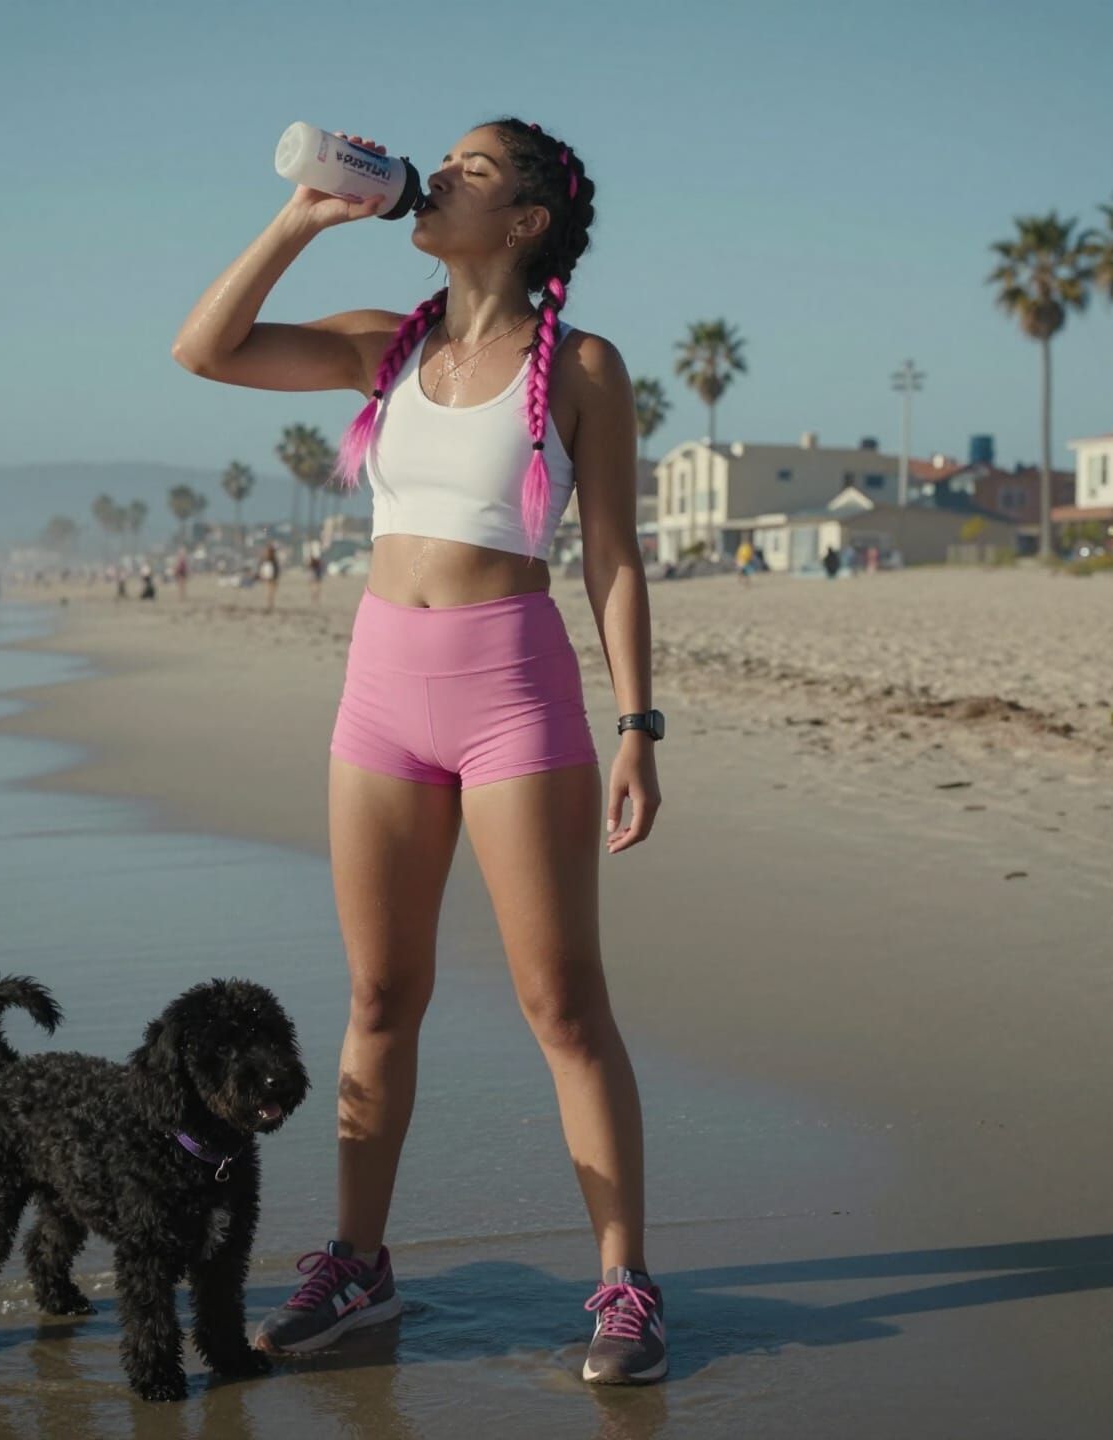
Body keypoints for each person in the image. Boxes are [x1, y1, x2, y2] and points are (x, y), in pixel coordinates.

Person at [173, 119, 667, 1387]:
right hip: (381, 693)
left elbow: (610, 556)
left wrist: (638, 724)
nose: (438, 176)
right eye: (439, 158)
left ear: (527, 223)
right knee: (381, 999)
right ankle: (356, 1263)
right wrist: (300, 218)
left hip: (513, 691)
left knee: (563, 1005)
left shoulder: (585, 368)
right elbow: (204, 348)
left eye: (475, 168)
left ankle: (623, 1285)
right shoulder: (381, 346)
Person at [257, 541, 280, 611]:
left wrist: (261, 574)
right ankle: (270, 603)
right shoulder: (273, 558)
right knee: (271, 591)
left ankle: (269, 603)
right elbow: (276, 568)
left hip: (268, 575)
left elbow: (261, 565)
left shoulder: (265, 557)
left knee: (269, 590)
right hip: (272, 575)